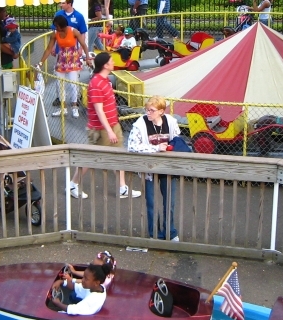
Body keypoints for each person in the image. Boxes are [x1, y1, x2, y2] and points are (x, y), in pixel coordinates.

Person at [69, 52, 141, 201]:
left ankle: (122, 187)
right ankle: (73, 184)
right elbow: (98, 110)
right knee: (91, 158)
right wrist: (109, 131)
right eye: (111, 61)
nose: (114, 62)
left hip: (111, 125)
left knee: (118, 155)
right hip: (101, 129)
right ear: (105, 65)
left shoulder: (105, 80)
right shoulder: (96, 84)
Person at [127, 95, 180, 241]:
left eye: (152, 110)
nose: (148, 113)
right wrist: (156, 148)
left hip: (167, 168)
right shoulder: (141, 123)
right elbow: (132, 145)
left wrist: (170, 147)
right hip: (149, 169)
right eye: (147, 110)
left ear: (161, 111)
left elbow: (177, 140)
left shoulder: (171, 122)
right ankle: (155, 233)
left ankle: (170, 232)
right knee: (151, 202)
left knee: (169, 202)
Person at [39, 15, 90, 118]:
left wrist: (88, 57)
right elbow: (49, 48)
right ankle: (63, 108)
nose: (55, 27)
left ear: (62, 25)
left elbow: (83, 45)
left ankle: (74, 107)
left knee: (73, 84)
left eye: (56, 26)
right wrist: (41, 62)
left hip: (73, 60)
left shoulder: (73, 31)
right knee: (59, 84)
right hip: (61, 60)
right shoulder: (55, 34)